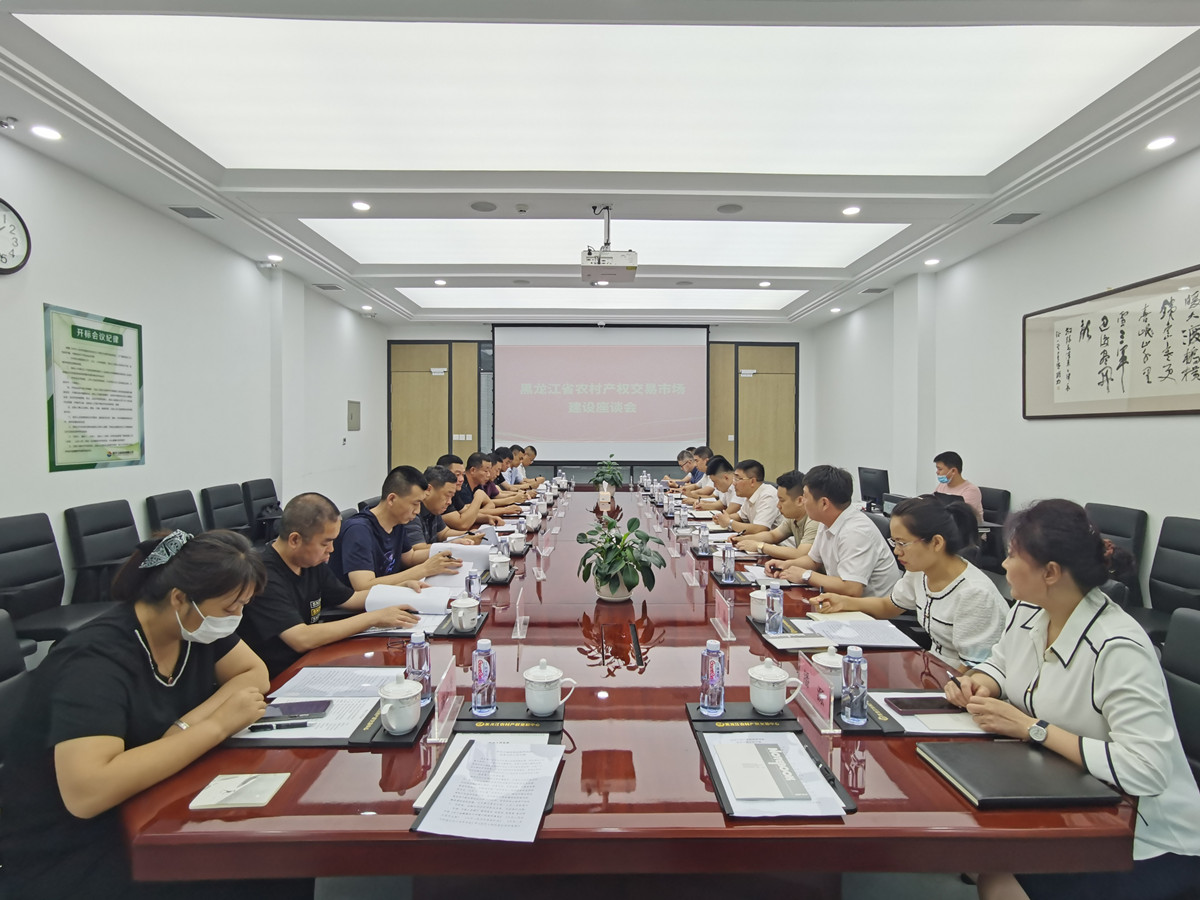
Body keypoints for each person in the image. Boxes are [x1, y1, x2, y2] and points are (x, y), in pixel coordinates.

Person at [0, 530, 309, 900]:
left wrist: (184, 727)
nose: (237, 618)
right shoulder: (94, 662)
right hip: (70, 847)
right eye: (231, 609)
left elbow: (253, 673)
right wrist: (216, 725)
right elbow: (87, 792)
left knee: (281, 854)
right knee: (258, 865)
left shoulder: (193, 628)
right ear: (180, 598)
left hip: (151, 798)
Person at [945, 499, 1200, 900]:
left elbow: (1146, 770)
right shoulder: (1028, 610)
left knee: (996, 877)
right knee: (980, 852)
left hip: (1141, 833)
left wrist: (1032, 728)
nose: (1004, 564)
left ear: (1050, 572)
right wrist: (980, 683)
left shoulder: (1118, 646)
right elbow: (1001, 664)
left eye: (1013, 555)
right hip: (1064, 795)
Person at [812, 495, 1007, 670]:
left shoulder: (975, 594)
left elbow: (974, 668)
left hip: (959, 685)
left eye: (902, 543)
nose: (896, 551)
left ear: (936, 543)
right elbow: (888, 606)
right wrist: (844, 602)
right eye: (894, 542)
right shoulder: (920, 572)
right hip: (930, 670)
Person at [242, 493, 424, 678]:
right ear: (295, 540)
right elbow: (301, 638)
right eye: (325, 543)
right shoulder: (263, 575)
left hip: (314, 660)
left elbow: (350, 599)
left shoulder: (310, 562)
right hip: (281, 675)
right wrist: (373, 618)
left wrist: (398, 589)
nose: (331, 549)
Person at [767, 464, 901, 597]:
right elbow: (813, 561)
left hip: (868, 608)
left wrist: (805, 575)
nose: (803, 502)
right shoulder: (826, 520)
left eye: (806, 497)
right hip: (842, 600)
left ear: (824, 503)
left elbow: (852, 588)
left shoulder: (855, 532)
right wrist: (786, 565)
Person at [329, 465, 461, 590]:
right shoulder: (358, 530)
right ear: (392, 499)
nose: (417, 511)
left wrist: (448, 550)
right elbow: (363, 586)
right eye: (415, 503)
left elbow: (410, 557)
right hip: (361, 605)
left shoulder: (397, 523)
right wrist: (424, 569)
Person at [733, 469, 820, 562]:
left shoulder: (814, 519)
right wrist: (741, 539)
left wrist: (760, 546)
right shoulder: (793, 517)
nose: (778, 505)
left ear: (799, 501)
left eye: (782, 500)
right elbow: (773, 535)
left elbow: (800, 554)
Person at [406, 466, 484, 548]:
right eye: (447, 495)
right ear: (429, 489)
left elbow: (444, 533)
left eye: (451, 497)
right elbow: (418, 548)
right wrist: (452, 544)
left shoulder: (433, 509)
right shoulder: (413, 512)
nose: (449, 502)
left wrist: (468, 534)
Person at [713, 458, 779, 535]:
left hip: (777, 542)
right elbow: (740, 516)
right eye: (734, 478)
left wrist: (729, 522)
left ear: (752, 481)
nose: (734, 483)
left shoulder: (768, 496)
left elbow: (760, 529)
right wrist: (723, 518)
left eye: (738, 479)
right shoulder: (749, 495)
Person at [933, 450, 983, 521]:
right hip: (946, 523)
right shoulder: (942, 485)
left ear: (953, 471)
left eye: (940, 469)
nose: (937, 472)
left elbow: (961, 515)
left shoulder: (971, 490)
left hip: (965, 526)